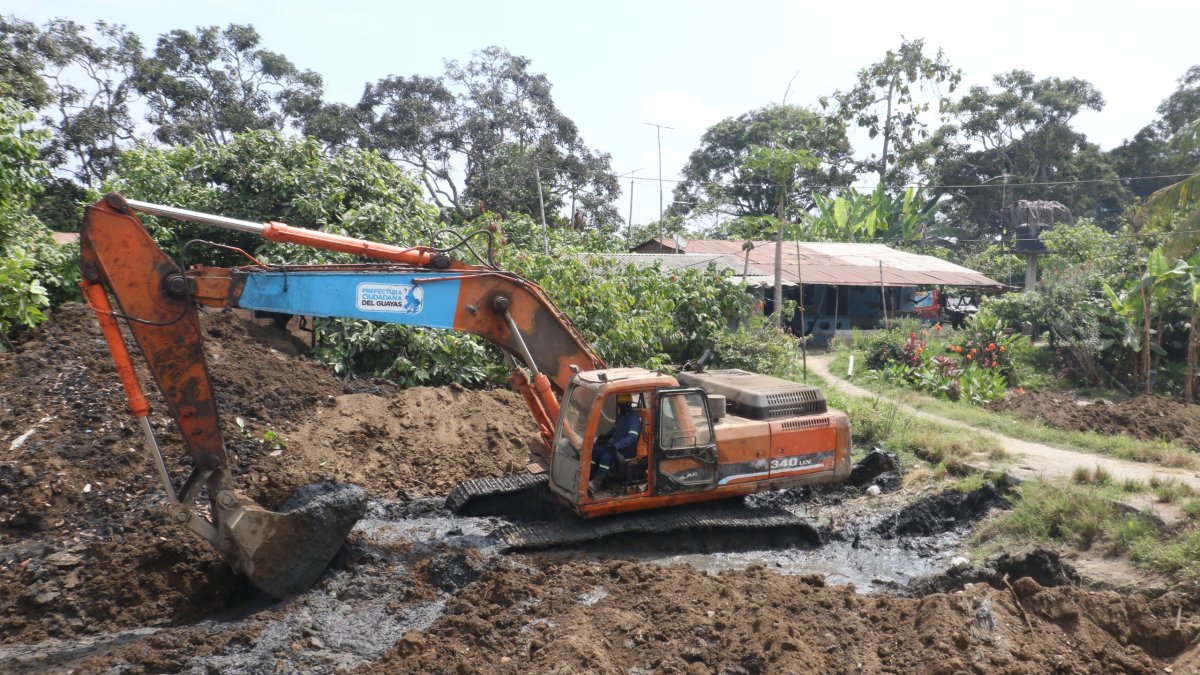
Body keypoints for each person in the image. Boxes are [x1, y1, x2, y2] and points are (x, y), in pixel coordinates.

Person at [590, 393, 642, 490]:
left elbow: (632, 438)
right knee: (595, 452)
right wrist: (605, 436)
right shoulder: (622, 416)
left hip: (627, 450)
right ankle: (589, 474)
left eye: (621, 405)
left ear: (627, 404)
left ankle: (595, 484)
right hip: (615, 447)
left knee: (606, 457)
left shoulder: (633, 418)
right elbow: (615, 429)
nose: (619, 407)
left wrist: (617, 445)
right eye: (619, 405)